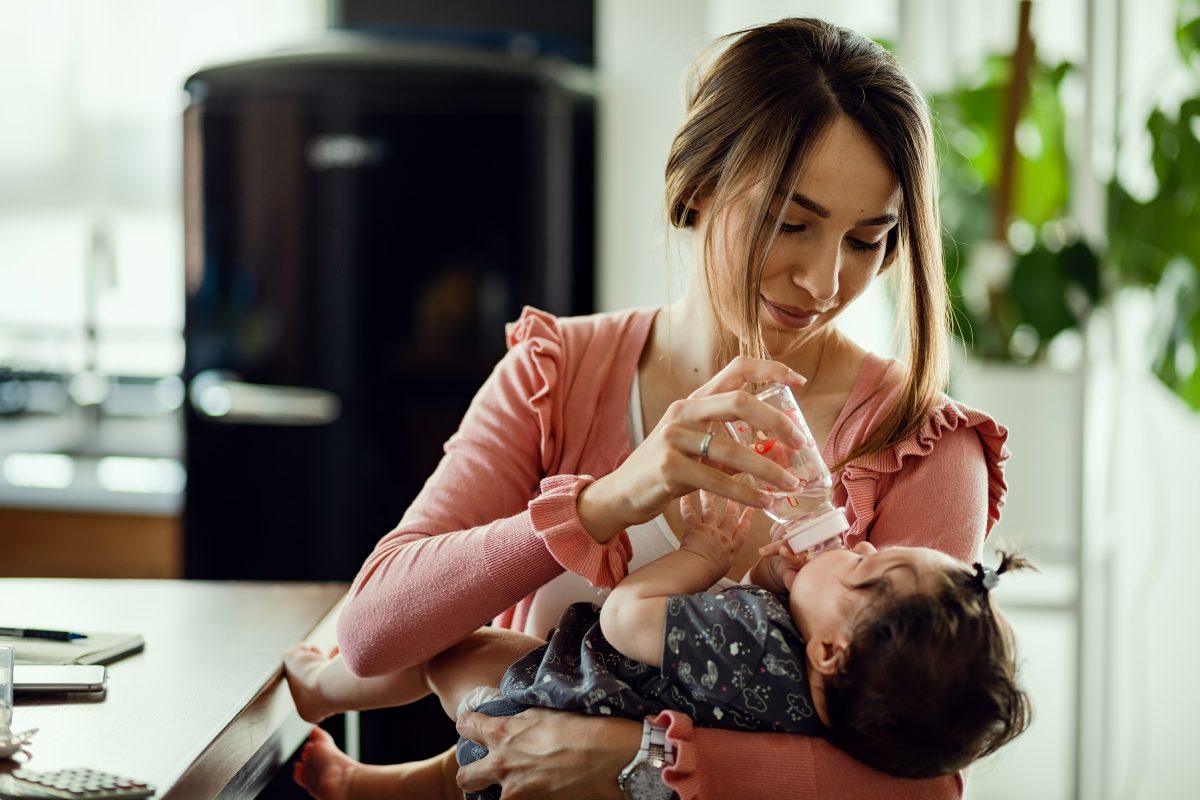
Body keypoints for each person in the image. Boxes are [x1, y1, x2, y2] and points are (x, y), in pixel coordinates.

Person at [301, 16, 1012, 800]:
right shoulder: (557, 375)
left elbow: (926, 787)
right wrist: (605, 502)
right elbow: (372, 636)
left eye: (866, 240)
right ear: (699, 185)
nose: (823, 281)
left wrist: (636, 760)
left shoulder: (923, 443)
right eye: (790, 223)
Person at [285, 490, 1031, 798]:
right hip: (589, 775)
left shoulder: (752, 638)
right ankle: (363, 787)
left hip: (544, 701)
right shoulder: (829, 711)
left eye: (865, 570)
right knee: (469, 773)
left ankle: (325, 689)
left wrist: (704, 556)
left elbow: (627, 620)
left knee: (448, 647)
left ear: (832, 652)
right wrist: (776, 578)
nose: (859, 546)